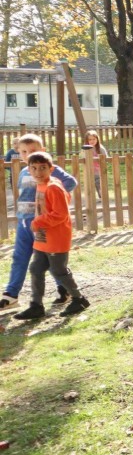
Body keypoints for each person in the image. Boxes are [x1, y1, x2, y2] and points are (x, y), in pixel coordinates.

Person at [0, 134, 77, 314]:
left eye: (33, 151)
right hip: (24, 222)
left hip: (43, 224)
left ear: (42, 151)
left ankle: (64, 288)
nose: (28, 155)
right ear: (18, 153)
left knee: (48, 259)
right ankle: (11, 295)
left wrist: (53, 201)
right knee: (20, 257)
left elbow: (70, 183)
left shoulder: (48, 169)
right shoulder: (25, 171)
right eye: (24, 152)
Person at [11, 151, 88, 319]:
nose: (38, 172)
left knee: (59, 270)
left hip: (56, 236)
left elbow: (60, 214)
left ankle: (79, 299)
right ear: (29, 170)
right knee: (36, 268)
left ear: (51, 169)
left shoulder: (53, 187)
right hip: (43, 236)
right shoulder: (40, 184)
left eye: (43, 168)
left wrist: (39, 222)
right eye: (34, 168)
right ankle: (36, 306)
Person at [85, 130, 109, 198]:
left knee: (99, 184)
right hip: (90, 170)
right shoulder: (86, 148)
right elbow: (82, 157)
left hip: (99, 170)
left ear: (97, 139)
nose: (92, 141)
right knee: (90, 184)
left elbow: (106, 158)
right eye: (90, 139)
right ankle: (90, 198)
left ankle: (102, 197)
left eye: (94, 139)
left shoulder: (100, 148)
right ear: (87, 140)